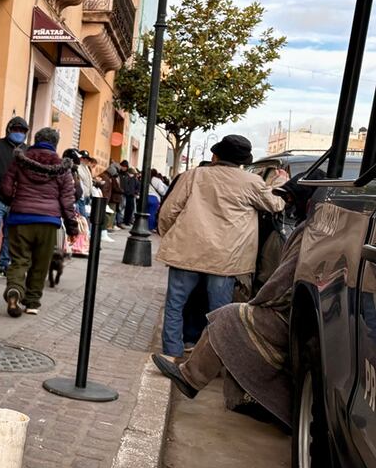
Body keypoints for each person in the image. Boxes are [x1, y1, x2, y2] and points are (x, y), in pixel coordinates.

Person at [152, 183, 358, 430]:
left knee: (227, 317)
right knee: (223, 316)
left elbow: (281, 282)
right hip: (291, 308)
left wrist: (255, 306)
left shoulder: (311, 232)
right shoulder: (317, 228)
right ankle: (195, 377)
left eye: (291, 199)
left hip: (290, 314)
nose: (287, 205)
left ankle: (191, 377)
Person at [156, 134, 286, 358]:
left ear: (215, 156)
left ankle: (171, 353)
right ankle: (211, 359)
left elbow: (169, 212)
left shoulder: (194, 175)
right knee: (218, 312)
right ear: (243, 161)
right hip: (226, 258)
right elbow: (276, 204)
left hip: (187, 251)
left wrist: (171, 237)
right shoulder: (252, 182)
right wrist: (280, 182)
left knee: (176, 304)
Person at [0, 128, 79, 317]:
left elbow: (7, 189)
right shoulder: (62, 167)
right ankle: (32, 302)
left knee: (19, 260)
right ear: (55, 144)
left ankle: (15, 290)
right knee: (41, 263)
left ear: (35, 140)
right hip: (48, 222)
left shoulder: (20, 160)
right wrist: (72, 227)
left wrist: (15, 203)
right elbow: (68, 200)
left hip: (20, 218)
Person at [0, 117, 29, 281]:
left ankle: (3, 266)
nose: (19, 133)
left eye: (22, 131)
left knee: (10, 235)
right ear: (9, 129)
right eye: (16, 129)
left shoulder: (27, 151)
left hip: (17, 200)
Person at [119, 160, 139, 227]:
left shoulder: (132, 178)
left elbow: (136, 186)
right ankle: (125, 221)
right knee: (124, 208)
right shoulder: (125, 176)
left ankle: (127, 220)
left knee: (130, 208)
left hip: (131, 195)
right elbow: (125, 186)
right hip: (126, 194)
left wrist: (135, 192)